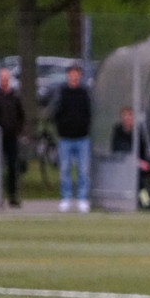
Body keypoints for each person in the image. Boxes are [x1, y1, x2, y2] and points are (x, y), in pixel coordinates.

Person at [52, 64, 92, 213]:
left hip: (82, 138)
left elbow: (88, 112)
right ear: (68, 75)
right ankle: (66, 198)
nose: (74, 76)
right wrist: (61, 127)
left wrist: (85, 126)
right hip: (65, 138)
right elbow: (56, 112)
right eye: (71, 74)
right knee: (64, 169)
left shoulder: (84, 93)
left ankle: (82, 198)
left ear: (79, 75)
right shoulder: (62, 92)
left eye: (76, 74)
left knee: (83, 170)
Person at [0, 67, 25, 207]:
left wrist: (18, 129)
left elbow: (21, 115)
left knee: (13, 167)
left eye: (6, 78)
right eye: (2, 78)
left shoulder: (15, 96)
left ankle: (13, 195)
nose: (4, 81)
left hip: (12, 137)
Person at [111, 106, 150, 209]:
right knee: (137, 175)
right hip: (125, 164)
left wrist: (146, 162)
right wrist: (136, 162)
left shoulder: (137, 132)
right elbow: (118, 150)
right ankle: (145, 202)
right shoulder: (118, 132)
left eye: (130, 117)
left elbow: (143, 149)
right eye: (125, 117)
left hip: (141, 162)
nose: (127, 120)